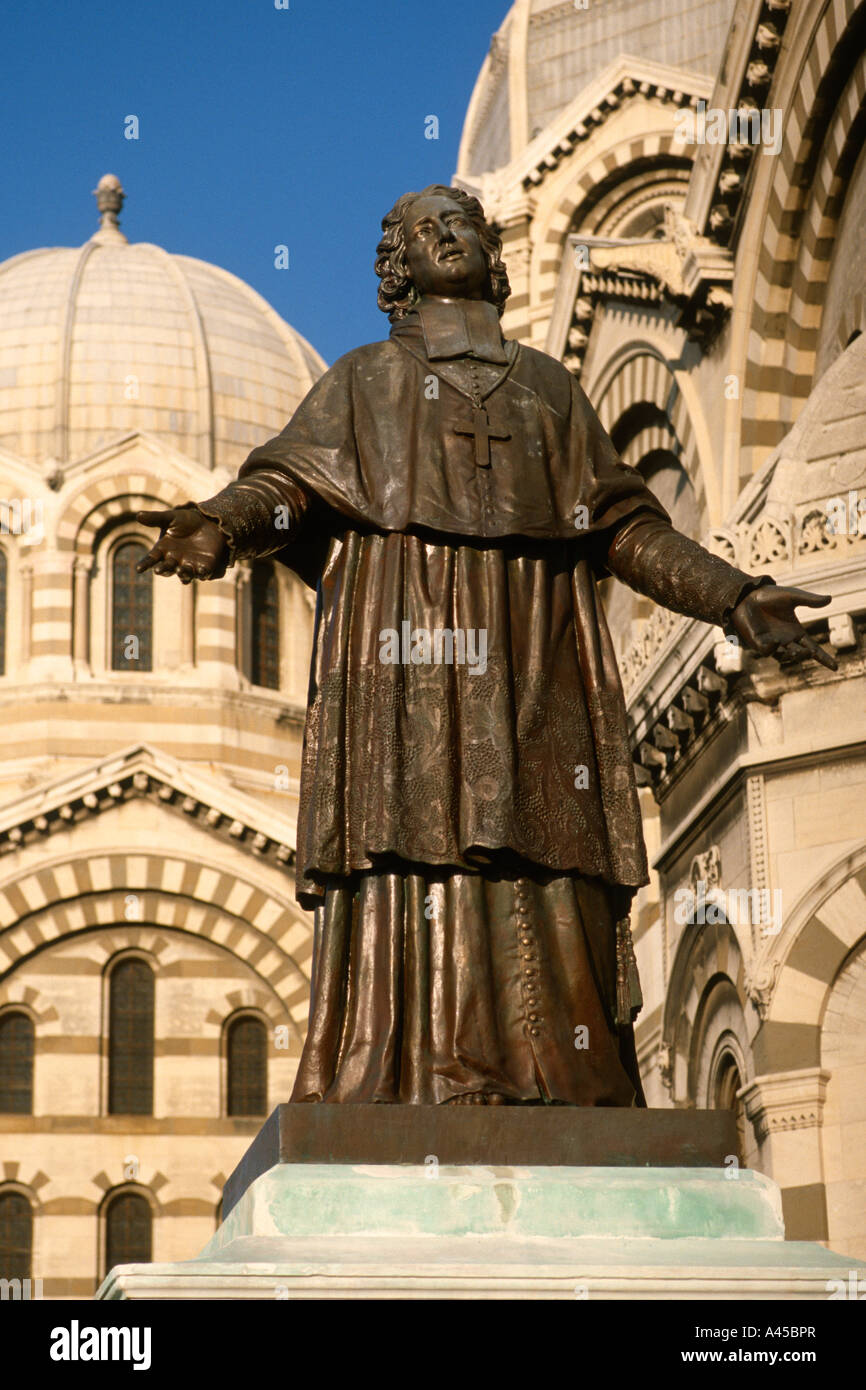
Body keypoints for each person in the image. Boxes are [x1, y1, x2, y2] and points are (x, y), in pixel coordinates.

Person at [137, 185, 835, 1107]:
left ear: (489, 251)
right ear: (400, 267)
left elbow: (625, 531)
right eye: (426, 229)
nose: (449, 235)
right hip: (405, 654)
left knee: (548, 846)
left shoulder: (549, 389)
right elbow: (291, 488)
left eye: (462, 220)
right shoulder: (363, 382)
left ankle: (559, 1075)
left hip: (532, 652)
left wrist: (735, 596)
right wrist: (225, 525)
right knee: (409, 845)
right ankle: (407, 1072)